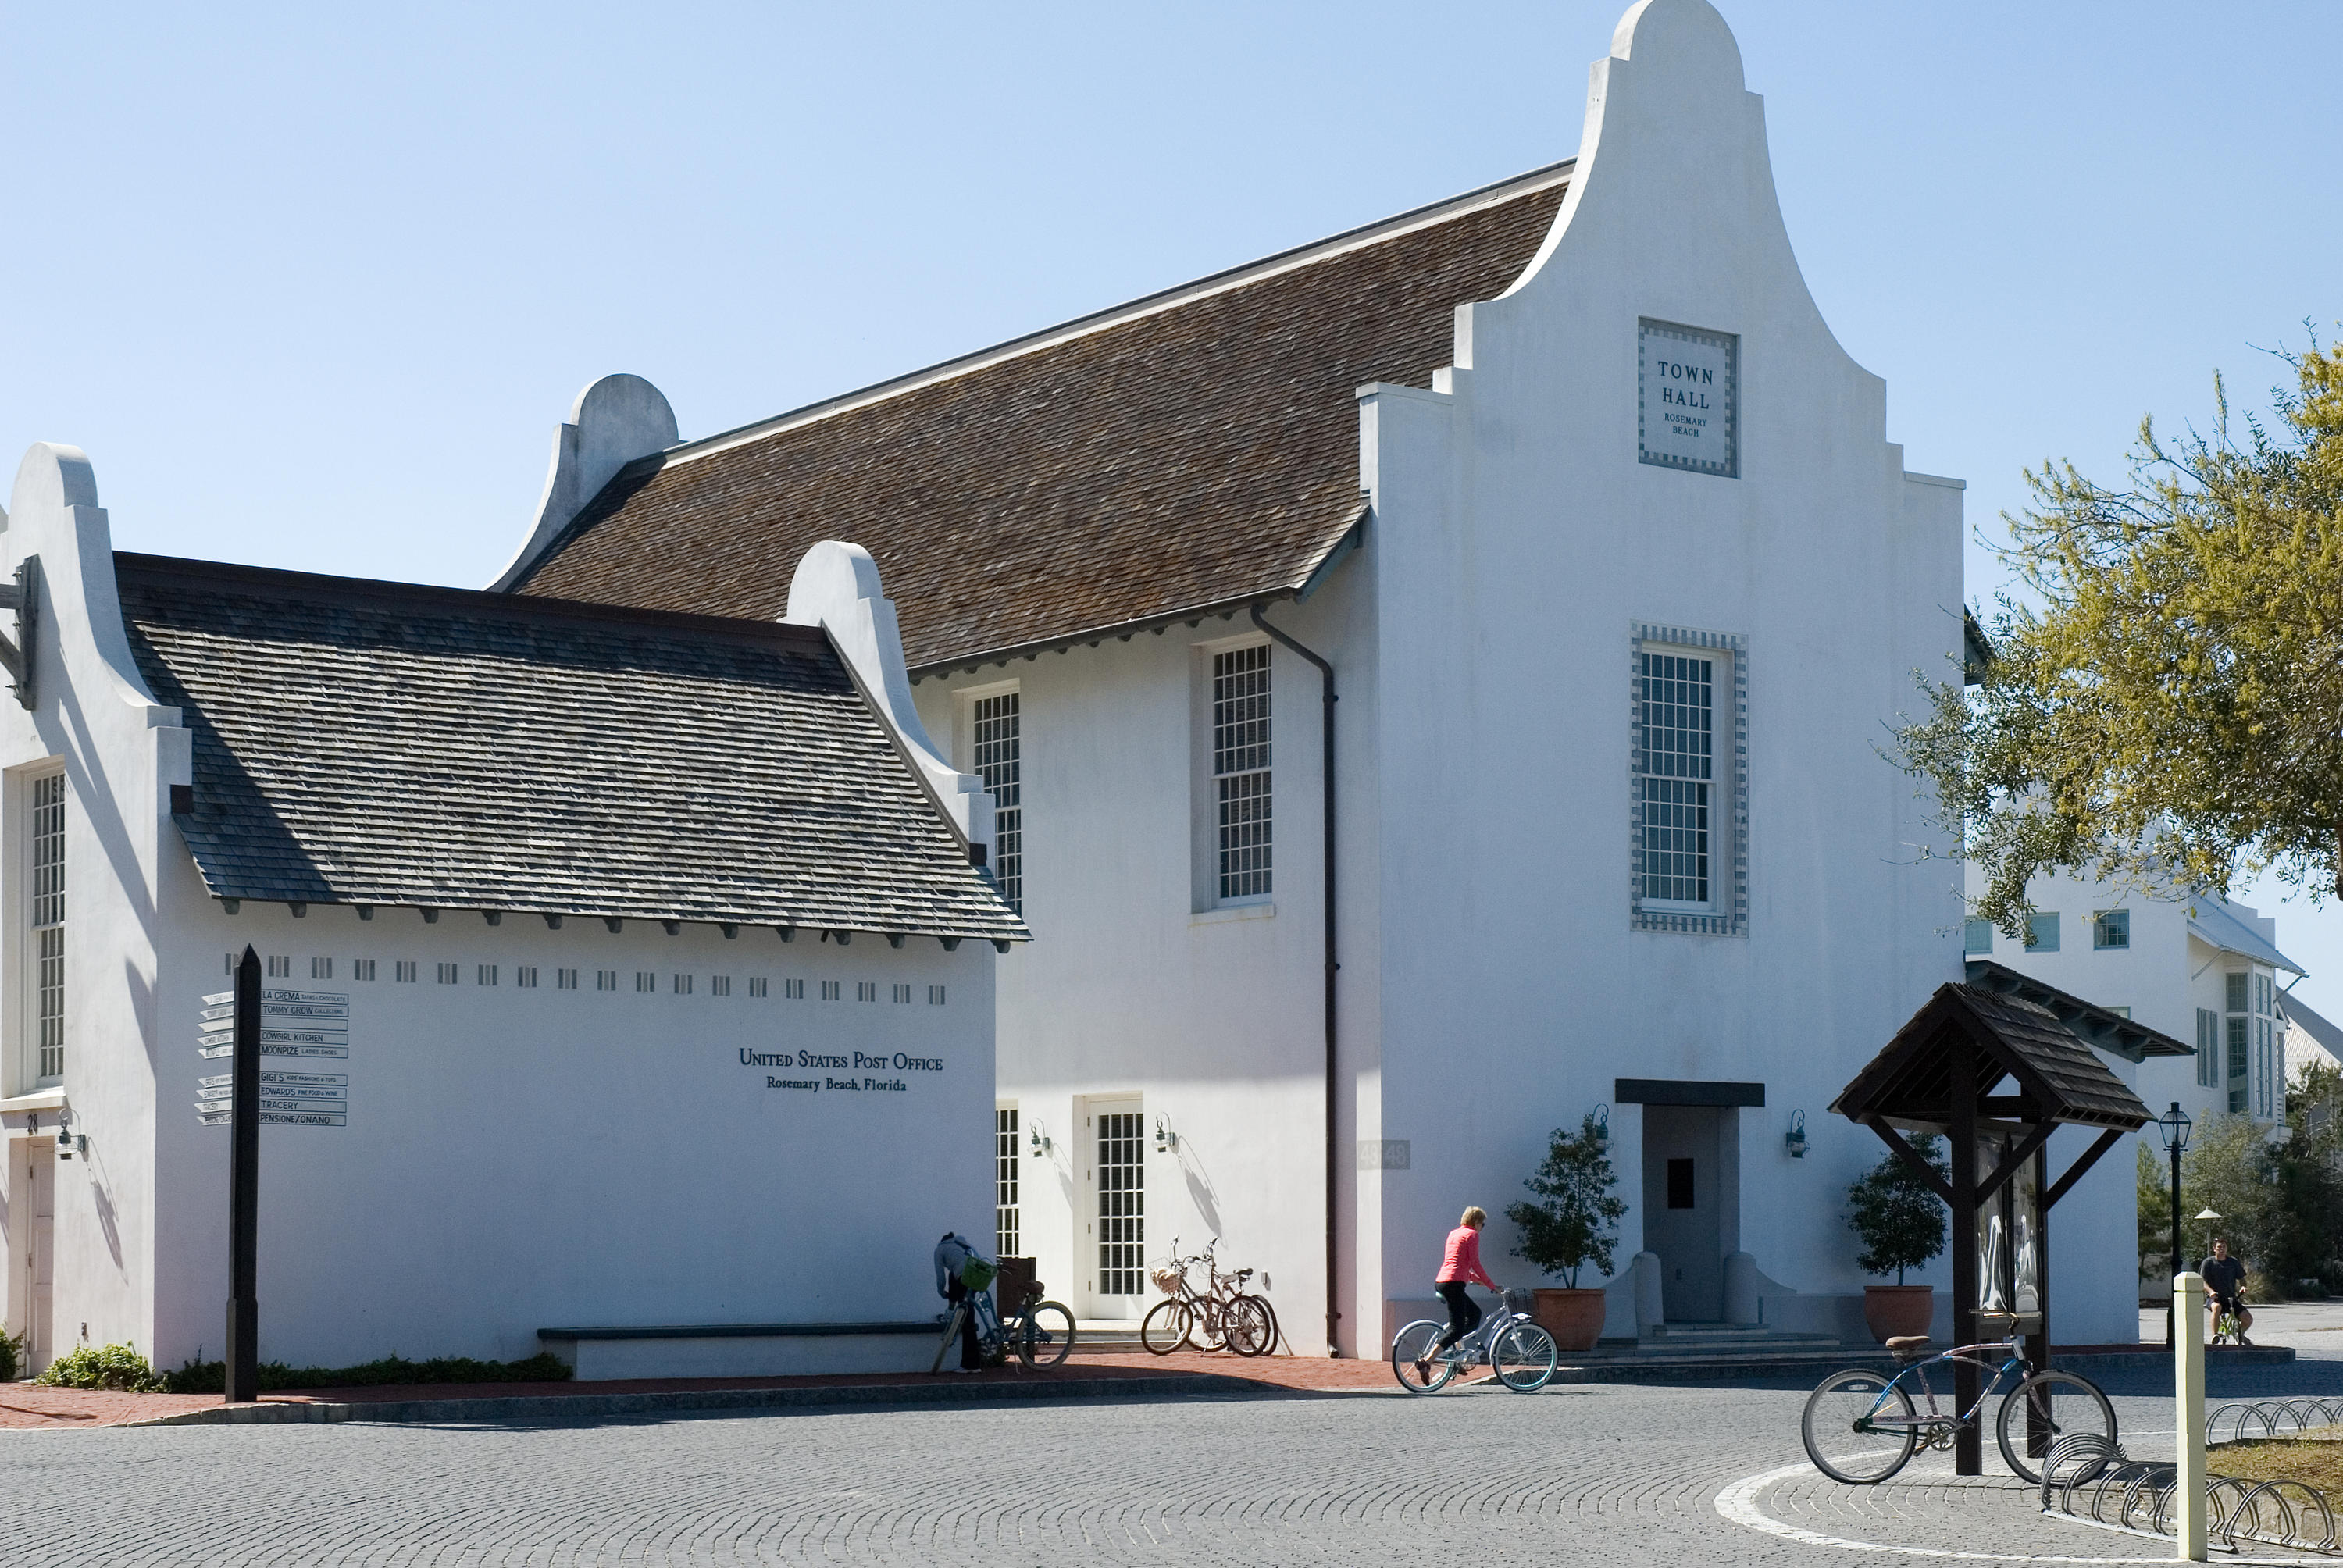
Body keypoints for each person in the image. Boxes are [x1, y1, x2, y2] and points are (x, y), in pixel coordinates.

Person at [1416, 1206, 1498, 1384]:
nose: (1482, 1227)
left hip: (1443, 1281)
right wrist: (1491, 1285)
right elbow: (1475, 1263)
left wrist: (1479, 1281)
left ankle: (1455, 1351)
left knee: (1474, 1315)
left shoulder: (1454, 1234)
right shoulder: (1472, 1235)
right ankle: (1427, 1361)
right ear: (1476, 1222)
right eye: (1482, 1224)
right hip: (1454, 1284)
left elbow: (1456, 1263)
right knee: (1457, 1328)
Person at [933, 1231, 984, 1373]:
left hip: (963, 1278)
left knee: (967, 1323)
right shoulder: (961, 1243)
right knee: (969, 1317)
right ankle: (973, 1363)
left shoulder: (939, 1250)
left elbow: (940, 1276)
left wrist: (941, 1291)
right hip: (976, 1274)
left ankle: (971, 1365)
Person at [2199, 1237, 2252, 1346]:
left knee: (2248, 1319)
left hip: (2230, 1299)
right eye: (2219, 1247)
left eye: (2224, 1247)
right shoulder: (2208, 1262)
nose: (2222, 1249)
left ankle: (2238, 1333)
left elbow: (2242, 1279)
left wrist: (2243, 1287)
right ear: (2214, 1248)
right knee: (2217, 1308)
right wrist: (2211, 1292)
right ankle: (2215, 1335)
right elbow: (2202, 1281)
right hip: (2214, 1298)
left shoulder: (2233, 1262)